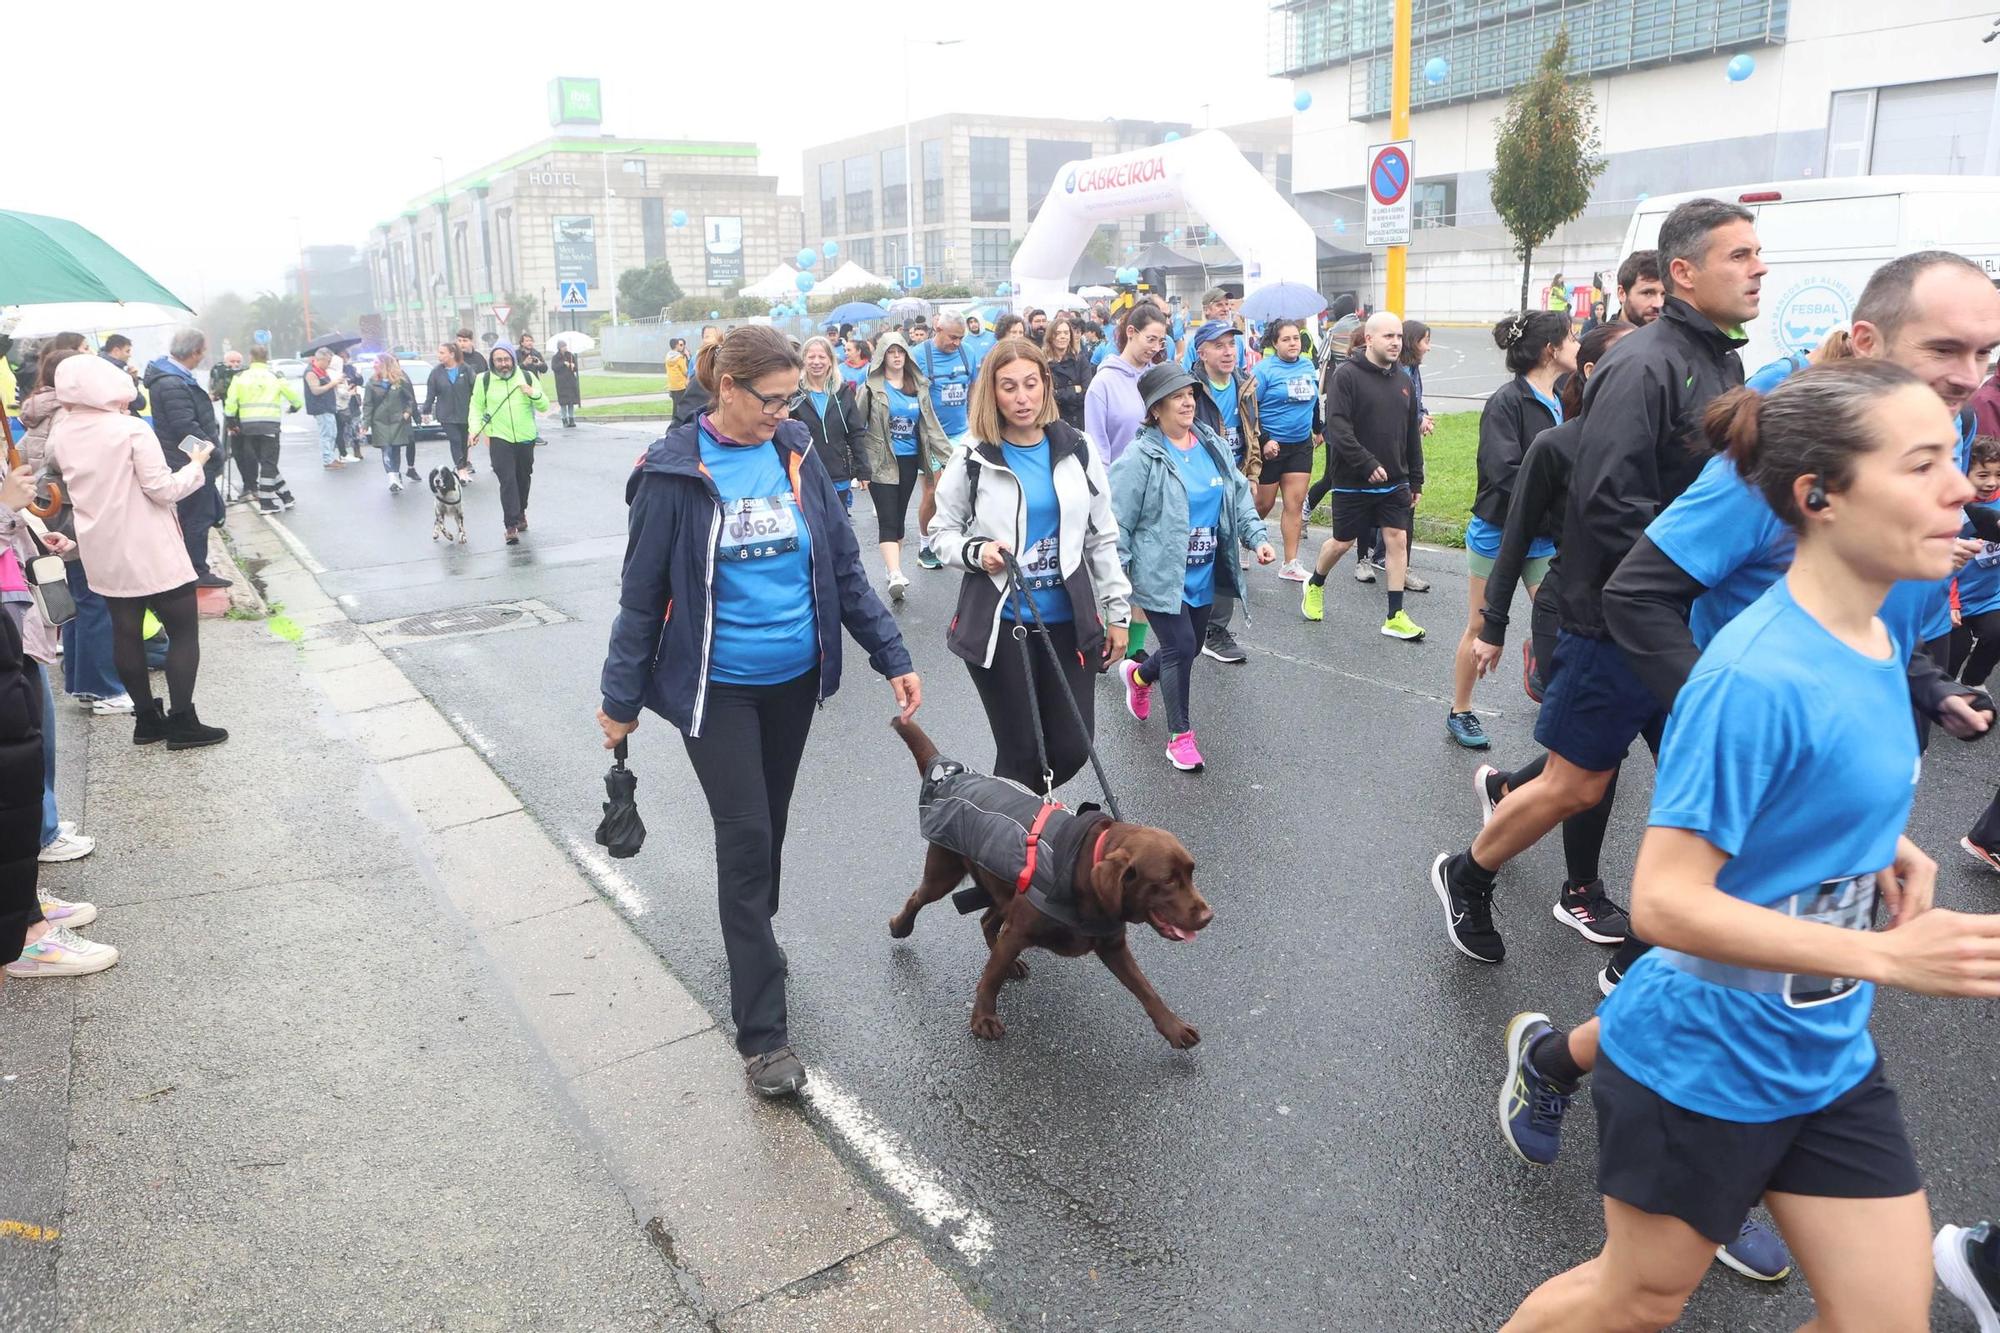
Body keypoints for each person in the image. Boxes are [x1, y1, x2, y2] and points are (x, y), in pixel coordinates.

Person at [1499, 360, 2000, 1333]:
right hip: (1702, 1058)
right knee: (1635, 1299)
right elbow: (1663, 902)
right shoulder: (1754, 677)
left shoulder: (1867, 633)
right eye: (1920, 465)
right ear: (1816, 495)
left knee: (1881, 1319)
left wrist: (1870, 845)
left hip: (1822, 1050)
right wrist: (1881, 952)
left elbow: (1812, 781)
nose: (1959, 486)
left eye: (1955, 456)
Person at [1430, 198, 1765, 966]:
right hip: (1613, 619)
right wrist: (1677, 581)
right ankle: (1468, 872)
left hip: (1684, 621)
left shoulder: (1725, 361)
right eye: (1740, 255)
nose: (1759, 267)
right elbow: (1610, 500)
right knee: (1577, 786)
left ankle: (1646, 946)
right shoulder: (1642, 362)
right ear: (1682, 271)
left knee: (1707, 776)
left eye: (1757, 253)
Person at [595, 324, 919, 1098]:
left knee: (769, 823)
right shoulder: (674, 474)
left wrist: (892, 656)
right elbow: (642, 598)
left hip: (793, 682)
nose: (783, 412)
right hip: (720, 690)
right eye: (771, 400)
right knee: (744, 840)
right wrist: (619, 699)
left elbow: (842, 564)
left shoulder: (795, 451)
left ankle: (755, 934)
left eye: (790, 400)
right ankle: (764, 1036)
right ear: (728, 389)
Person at [926, 338, 1128, 792]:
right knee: (1022, 753)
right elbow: (941, 533)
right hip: (1001, 625)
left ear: (1046, 386)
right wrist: (977, 553)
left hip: (1068, 622)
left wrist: (1118, 612)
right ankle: (1013, 849)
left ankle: (996, 821)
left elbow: (1101, 536)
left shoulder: (1078, 448)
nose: (1021, 398)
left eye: (1030, 384)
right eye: (1009, 387)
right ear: (991, 394)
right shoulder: (974, 453)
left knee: (1075, 747)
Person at [46, 355, 226, 750]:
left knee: (124, 632)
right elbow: (162, 490)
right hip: (149, 544)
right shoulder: (129, 429)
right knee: (182, 632)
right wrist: (196, 464)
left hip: (101, 547)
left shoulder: (63, 433)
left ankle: (146, 720)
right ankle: (183, 722)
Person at [1111, 364, 1274, 771]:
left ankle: (1138, 678)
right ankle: (1179, 737)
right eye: (1176, 396)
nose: (1187, 402)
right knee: (1180, 647)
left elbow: (1237, 496)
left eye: (1190, 394)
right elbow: (1119, 522)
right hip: (1160, 574)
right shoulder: (1141, 457)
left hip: (1203, 571)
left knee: (1184, 649)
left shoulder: (1211, 444)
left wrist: (1258, 537)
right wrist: (1118, 580)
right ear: (1155, 408)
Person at [1447, 312, 1577, 749]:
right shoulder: (1506, 402)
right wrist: (1559, 490)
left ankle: (1539, 660)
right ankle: (1460, 710)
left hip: (1542, 535)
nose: (1578, 344)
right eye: (1572, 338)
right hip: (1497, 531)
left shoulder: (1563, 395)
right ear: (1550, 350)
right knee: (1478, 626)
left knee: (1560, 614)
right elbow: (1503, 472)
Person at [1302, 312, 1425, 641]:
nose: (1396, 342)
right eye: (1388, 336)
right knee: (1342, 543)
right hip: (1353, 480)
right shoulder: (1346, 376)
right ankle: (1314, 583)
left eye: (1399, 336)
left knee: (1396, 539)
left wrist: (1416, 479)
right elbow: (1338, 429)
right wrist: (1366, 464)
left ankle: (1395, 615)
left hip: (1395, 480)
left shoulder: (1404, 381)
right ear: (1369, 339)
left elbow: (1410, 434)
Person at [854, 331, 949, 601]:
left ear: (907, 356)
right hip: (880, 460)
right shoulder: (872, 388)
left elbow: (932, 427)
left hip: (908, 459)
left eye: (900, 352)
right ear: (882, 357)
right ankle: (896, 574)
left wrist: (951, 458)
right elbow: (856, 425)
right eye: (890, 352)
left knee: (898, 519)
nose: (896, 357)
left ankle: (890, 566)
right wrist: (858, 465)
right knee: (887, 517)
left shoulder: (917, 386)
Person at [1188, 320, 1260, 664]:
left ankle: (1215, 629)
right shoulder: (1190, 389)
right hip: (1198, 482)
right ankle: (1183, 617)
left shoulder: (1244, 383)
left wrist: (1253, 472)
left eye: (1231, 344)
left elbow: (1251, 430)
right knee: (1195, 551)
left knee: (1225, 549)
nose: (1228, 351)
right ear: (1202, 353)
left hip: (1233, 480)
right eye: (1219, 345)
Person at [140, 327, 230, 590]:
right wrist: (211, 452)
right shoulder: (171, 382)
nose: (203, 355)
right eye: (203, 350)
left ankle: (196, 568)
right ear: (195, 351)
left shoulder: (175, 377)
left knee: (206, 513)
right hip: (189, 461)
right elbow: (184, 427)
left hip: (191, 460)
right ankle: (196, 571)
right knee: (197, 519)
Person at [1247, 319, 1324, 581]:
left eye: (1296, 338)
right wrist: (1265, 440)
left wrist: (1318, 427)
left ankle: (1290, 563)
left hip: (1300, 445)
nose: (1293, 343)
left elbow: (1313, 399)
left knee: (1295, 503)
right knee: (1263, 503)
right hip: (1271, 447)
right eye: (1286, 339)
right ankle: (1243, 539)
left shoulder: (1306, 365)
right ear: (1274, 343)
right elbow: (1250, 410)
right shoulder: (1264, 370)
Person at [913, 313, 984, 570]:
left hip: (960, 432)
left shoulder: (968, 353)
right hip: (931, 434)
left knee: (971, 488)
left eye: (960, 338)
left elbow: (974, 387)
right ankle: (925, 544)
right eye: (952, 337)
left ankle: (964, 539)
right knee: (934, 490)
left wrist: (974, 418)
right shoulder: (919, 356)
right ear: (937, 328)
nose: (956, 343)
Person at [467, 344, 548, 545]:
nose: (503, 364)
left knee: (523, 477)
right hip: (498, 438)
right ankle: (510, 525)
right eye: (498, 360)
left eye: (506, 359)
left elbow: (544, 405)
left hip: (525, 437)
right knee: (507, 480)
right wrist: (474, 430)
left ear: (513, 359)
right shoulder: (483, 380)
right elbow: (476, 408)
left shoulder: (527, 377)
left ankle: (521, 512)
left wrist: (532, 393)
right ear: (492, 361)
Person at [1084, 304, 1167, 466]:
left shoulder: (1161, 377)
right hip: (1122, 484)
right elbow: (1098, 449)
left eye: (1161, 342)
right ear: (1131, 332)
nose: (1156, 348)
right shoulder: (1103, 384)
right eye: (1150, 339)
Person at [222, 346, 301, 515]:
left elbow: (231, 401)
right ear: (266, 358)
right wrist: (294, 407)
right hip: (269, 425)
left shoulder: (240, 377)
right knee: (269, 463)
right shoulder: (275, 376)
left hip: (248, 427)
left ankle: (286, 496)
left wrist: (231, 420)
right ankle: (266, 502)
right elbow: (295, 398)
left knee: (265, 462)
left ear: (250, 358)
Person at [1948, 436, 2000, 687]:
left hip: (1990, 597)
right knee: (1955, 650)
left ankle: (1973, 682)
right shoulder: (1952, 507)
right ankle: (1944, 688)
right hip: (1953, 597)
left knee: (1996, 634)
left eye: (1998, 475)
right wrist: (1951, 600)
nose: (1992, 483)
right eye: (1982, 475)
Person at [795, 336, 864, 514]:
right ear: (803, 360)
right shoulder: (794, 393)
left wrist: (863, 468)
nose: (816, 362)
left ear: (830, 361)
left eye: (821, 357)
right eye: (811, 357)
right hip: (805, 474)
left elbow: (855, 432)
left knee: (838, 529)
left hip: (837, 472)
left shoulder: (842, 392)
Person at [364, 354, 419, 492]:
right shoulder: (371, 383)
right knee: (386, 449)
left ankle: (396, 474)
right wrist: (365, 423)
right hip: (380, 422)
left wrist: (407, 412)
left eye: (376, 362)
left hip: (397, 421)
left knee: (395, 449)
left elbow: (410, 399)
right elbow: (368, 404)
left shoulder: (400, 381)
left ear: (385, 364)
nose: (374, 365)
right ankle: (392, 477)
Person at [424, 344, 476, 480]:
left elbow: (475, 390)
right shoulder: (436, 372)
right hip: (446, 414)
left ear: (452, 354)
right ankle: (461, 470)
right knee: (455, 440)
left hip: (464, 412)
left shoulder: (466, 369)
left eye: (442, 353)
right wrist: (426, 411)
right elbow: (431, 393)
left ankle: (463, 465)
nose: (438, 356)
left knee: (464, 441)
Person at [208, 349, 249, 500]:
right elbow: (214, 394)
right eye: (232, 362)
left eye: (238, 361)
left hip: (246, 417)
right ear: (225, 362)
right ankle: (248, 485)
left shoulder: (246, 373)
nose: (235, 365)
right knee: (238, 452)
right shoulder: (220, 372)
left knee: (248, 453)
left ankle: (250, 485)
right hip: (232, 418)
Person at [1045, 317, 1093, 430]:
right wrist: (1074, 390)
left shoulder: (1081, 360)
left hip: (1079, 422)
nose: (1063, 336)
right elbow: (1047, 395)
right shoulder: (1043, 362)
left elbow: (1088, 392)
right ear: (1051, 336)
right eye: (1058, 333)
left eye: (1066, 333)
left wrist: (1058, 393)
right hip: (1055, 421)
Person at [304, 348, 341, 467]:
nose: (329, 364)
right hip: (320, 407)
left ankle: (330, 456)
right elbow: (315, 390)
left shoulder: (322, 371)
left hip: (328, 406)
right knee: (326, 434)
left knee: (332, 433)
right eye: (328, 361)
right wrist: (332, 384)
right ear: (321, 359)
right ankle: (327, 459)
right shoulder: (311, 372)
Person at [1615, 250, 1665, 327]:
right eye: (1648, 293)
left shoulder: (1681, 337)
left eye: (1664, 294)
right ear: (1622, 294)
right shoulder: (1601, 338)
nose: (1659, 304)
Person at [550, 341, 582, 428]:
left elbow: (576, 368)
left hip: (570, 381)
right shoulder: (556, 357)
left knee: (571, 402)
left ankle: (571, 419)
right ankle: (564, 419)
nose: (565, 347)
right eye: (563, 346)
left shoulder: (570, 355)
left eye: (565, 346)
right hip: (561, 382)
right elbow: (554, 367)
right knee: (563, 402)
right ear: (559, 347)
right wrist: (563, 364)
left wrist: (573, 366)